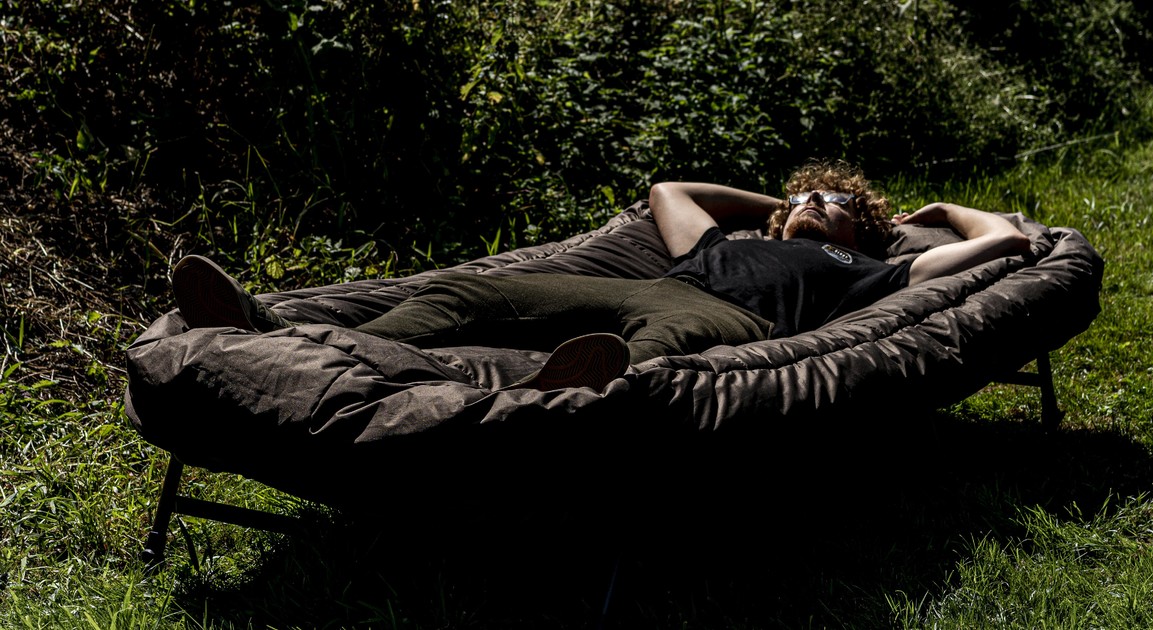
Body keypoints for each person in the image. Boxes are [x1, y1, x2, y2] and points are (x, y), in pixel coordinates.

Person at [171, 159, 1030, 391]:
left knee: (659, 358)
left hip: (737, 326)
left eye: (830, 198)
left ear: (865, 223)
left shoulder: (869, 265)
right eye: (802, 192)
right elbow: (669, 191)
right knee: (466, 295)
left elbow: (1001, 242)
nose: (812, 200)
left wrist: (938, 213)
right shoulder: (729, 234)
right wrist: (787, 203)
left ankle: (566, 399)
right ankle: (285, 331)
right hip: (660, 283)